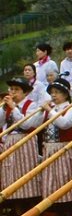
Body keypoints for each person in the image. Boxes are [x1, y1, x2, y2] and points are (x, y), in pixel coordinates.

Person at [40, 78, 72, 216]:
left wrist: (50, 111)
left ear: (65, 95)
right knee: (52, 180)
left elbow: (64, 124)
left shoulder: (70, 108)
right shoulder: (51, 109)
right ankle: (56, 213)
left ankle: (68, 212)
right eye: (52, 92)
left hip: (63, 148)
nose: (54, 95)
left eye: (57, 92)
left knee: (64, 178)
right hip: (50, 147)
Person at [0, 76, 45, 208]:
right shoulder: (6, 106)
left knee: (24, 173)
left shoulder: (31, 105)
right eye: (11, 89)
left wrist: (14, 108)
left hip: (25, 141)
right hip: (9, 141)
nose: (13, 92)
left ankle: (26, 207)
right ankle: (15, 207)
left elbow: (26, 124)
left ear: (25, 92)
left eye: (17, 90)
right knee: (10, 173)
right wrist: (3, 108)